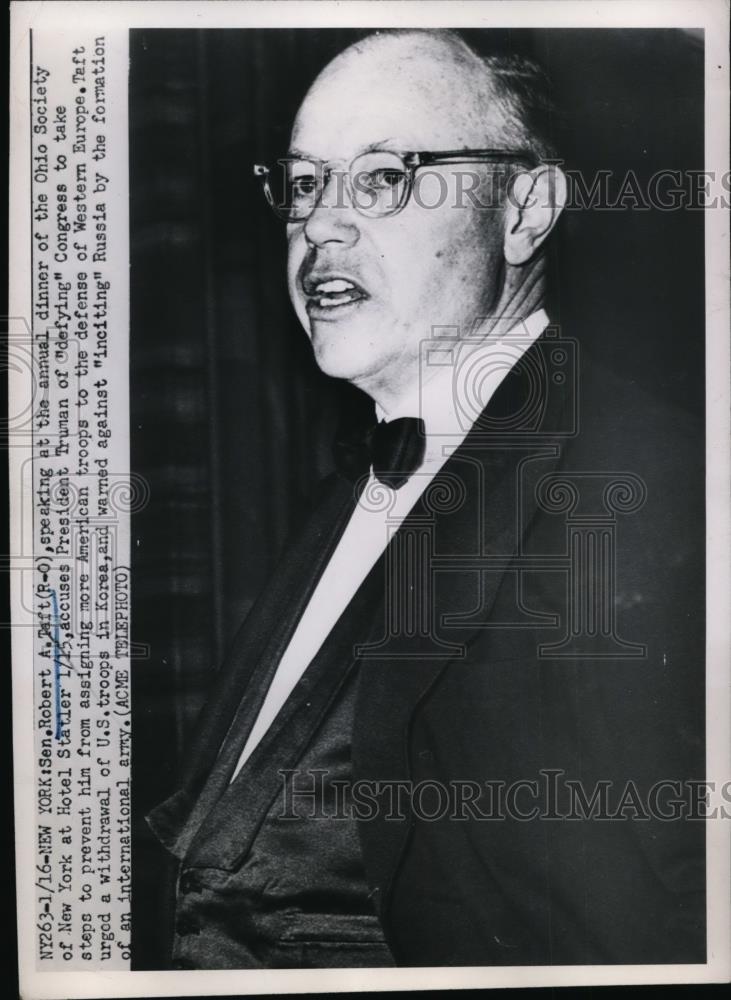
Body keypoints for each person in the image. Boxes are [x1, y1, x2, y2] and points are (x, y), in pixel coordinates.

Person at [147, 29, 705, 969]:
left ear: (525, 211)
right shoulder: (349, 485)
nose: (321, 224)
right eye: (304, 183)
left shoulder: (645, 494)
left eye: (380, 178)